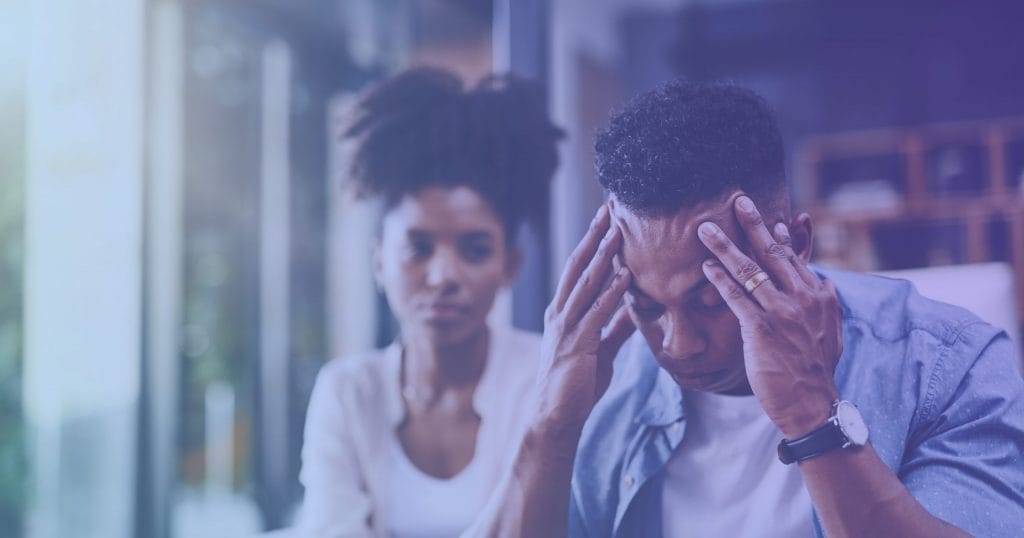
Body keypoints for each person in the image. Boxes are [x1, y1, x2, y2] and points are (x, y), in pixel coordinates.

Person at [468, 81, 1024, 537]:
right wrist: (551, 430)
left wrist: (812, 417)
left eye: (714, 301)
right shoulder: (608, 386)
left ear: (797, 248)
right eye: (646, 305)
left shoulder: (953, 365)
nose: (678, 345)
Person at [299, 68, 563, 537]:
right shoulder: (346, 392)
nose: (443, 277)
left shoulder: (546, 378)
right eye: (418, 248)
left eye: (475, 249)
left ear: (511, 266)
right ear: (380, 261)